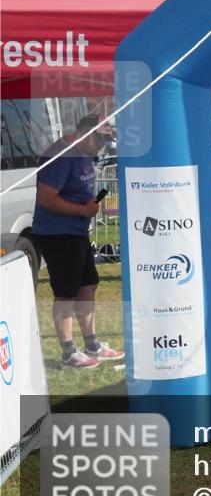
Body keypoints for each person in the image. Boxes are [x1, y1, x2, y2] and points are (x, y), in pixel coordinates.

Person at [32, 114, 124, 369]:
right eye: (99, 140)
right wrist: (82, 211)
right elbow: (46, 198)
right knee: (66, 292)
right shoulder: (62, 156)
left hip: (76, 232)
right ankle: (68, 352)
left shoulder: (83, 153)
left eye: (106, 142)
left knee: (88, 285)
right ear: (84, 131)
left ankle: (91, 343)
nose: (101, 146)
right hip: (57, 233)